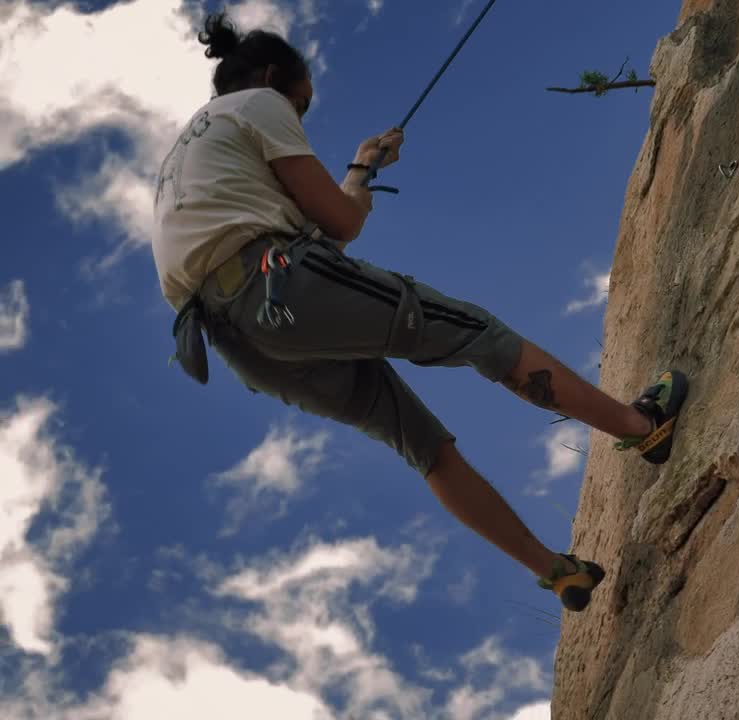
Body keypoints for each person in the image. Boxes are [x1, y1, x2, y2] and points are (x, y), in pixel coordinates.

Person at [152, 13, 688, 612]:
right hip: (280, 285)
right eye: (301, 104)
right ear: (275, 77)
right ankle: (645, 430)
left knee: (420, 444)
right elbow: (342, 224)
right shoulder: (259, 105)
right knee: (479, 335)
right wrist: (360, 171)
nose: (298, 115)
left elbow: (314, 242)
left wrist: (361, 169)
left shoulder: (185, 158)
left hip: (235, 338)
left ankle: (560, 572)